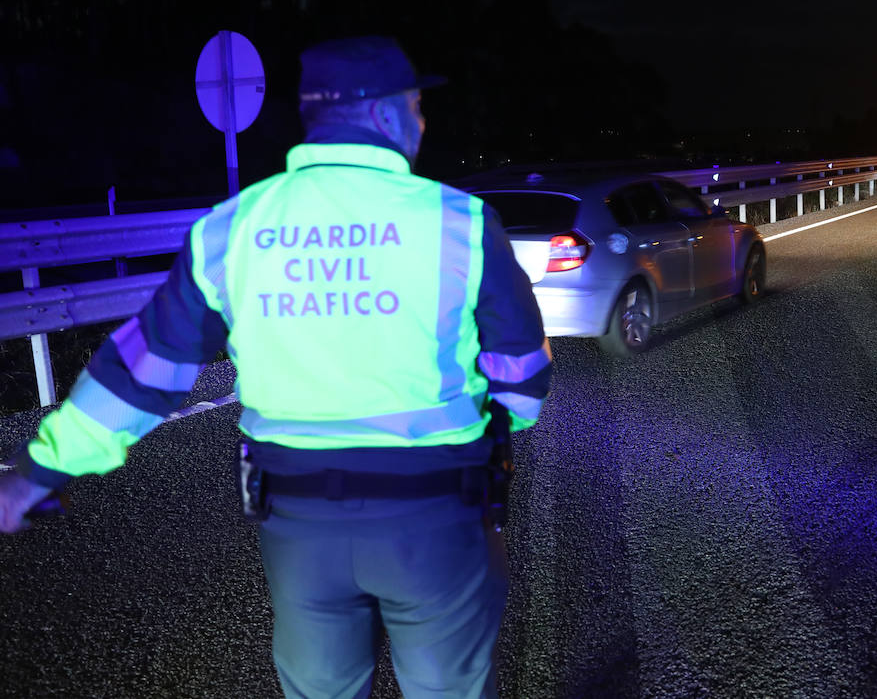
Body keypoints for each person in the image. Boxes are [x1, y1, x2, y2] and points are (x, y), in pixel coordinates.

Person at [0, 35, 551, 698]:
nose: (422, 122)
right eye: (416, 106)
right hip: (434, 519)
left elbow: (141, 372)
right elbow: (523, 381)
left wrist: (36, 474)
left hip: (297, 525)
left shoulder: (233, 226)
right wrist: (496, 424)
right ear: (384, 114)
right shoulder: (458, 220)